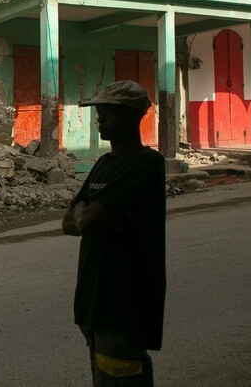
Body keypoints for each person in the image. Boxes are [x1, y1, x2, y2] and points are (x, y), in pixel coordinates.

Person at [62, 80, 166, 386]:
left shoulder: (147, 164)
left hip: (122, 307)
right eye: (100, 111)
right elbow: (69, 223)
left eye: (108, 112)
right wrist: (88, 214)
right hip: (91, 305)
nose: (100, 118)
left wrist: (86, 214)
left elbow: (85, 221)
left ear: (132, 116)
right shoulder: (103, 165)